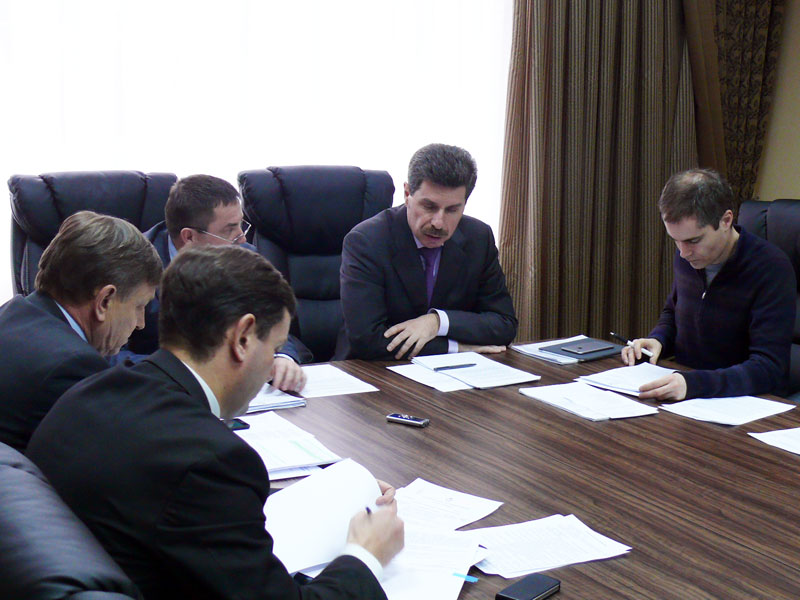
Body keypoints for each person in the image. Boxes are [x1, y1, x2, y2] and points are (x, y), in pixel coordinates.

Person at [27, 245, 404, 600]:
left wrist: (333, 494)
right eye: (274, 348)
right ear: (242, 338)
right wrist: (366, 555)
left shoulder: (90, 392)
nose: (272, 365)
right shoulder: (211, 462)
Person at [622, 168, 796, 400]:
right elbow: (674, 313)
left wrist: (694, 384)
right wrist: (658, 340)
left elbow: (769, 369)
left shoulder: (771, 268)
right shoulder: (688, 256)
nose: (683, 253)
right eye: (676, 240)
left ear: (726, 220)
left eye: (693, 240)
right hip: (689, 395)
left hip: (749, 404)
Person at [125, 174, 310, 392]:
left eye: (241, 225)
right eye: (229, 229)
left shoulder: (245, 257)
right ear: (189, 237)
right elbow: (110, 353)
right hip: (161, 390)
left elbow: (271, 320)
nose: (242, 238)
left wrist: (281, 357)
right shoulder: (134, 265)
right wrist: (187, 371)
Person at [337, 143, 517, 360]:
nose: (438, 223)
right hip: (372, 370)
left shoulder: (478, 238)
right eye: (429, 207)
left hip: (453, 373)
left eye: (452, 210)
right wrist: (456, 347)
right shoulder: (367, 242)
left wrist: (438, 321)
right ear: (407, 194)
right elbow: (367, 340)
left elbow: (504, 324)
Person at [0, 211, 161, 452]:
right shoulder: (72, 367)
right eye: (139, 306)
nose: (141, 323)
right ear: (104, 301)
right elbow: (119, 453)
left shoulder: (14, 311)